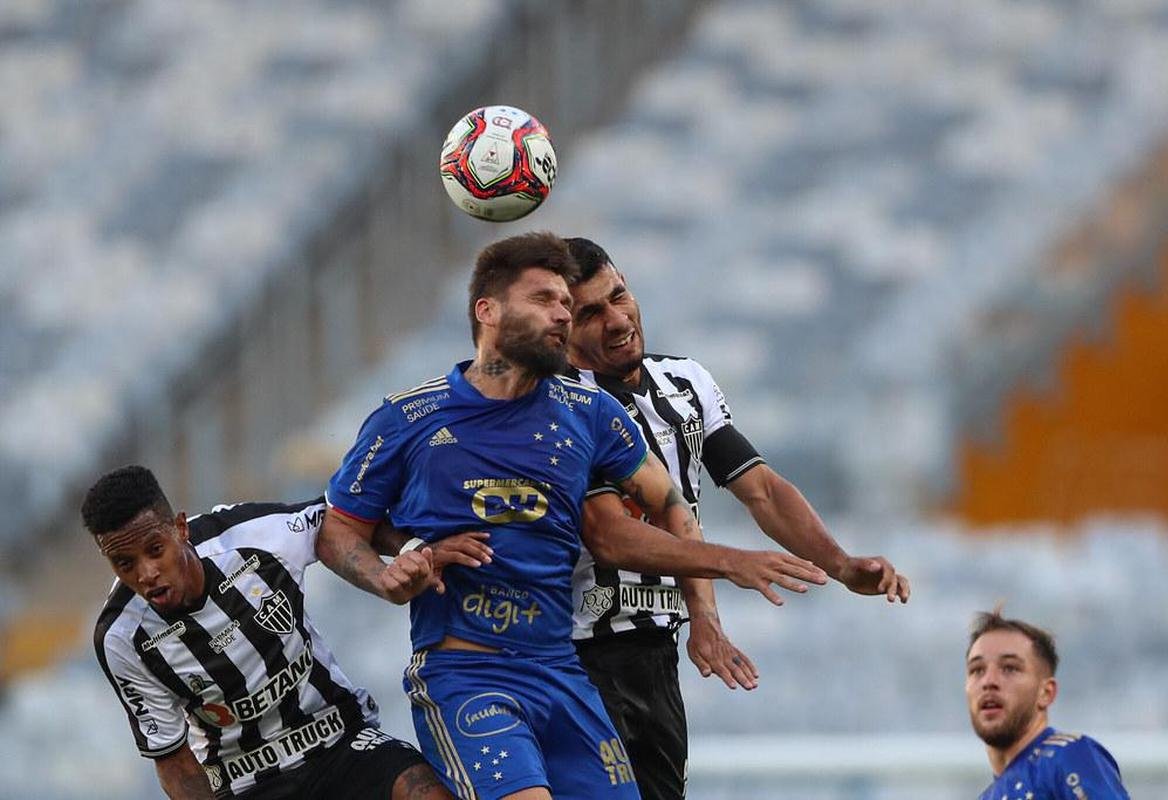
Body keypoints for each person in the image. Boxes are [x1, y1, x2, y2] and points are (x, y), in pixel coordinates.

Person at [318, 231, 826, 800]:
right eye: (544, 299)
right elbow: (338, 528)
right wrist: (392, 569)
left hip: (561, 672)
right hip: (469, 676)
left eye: (565, 302)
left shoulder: (590, 412)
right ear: (487, 311)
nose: (561, 313)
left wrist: (704, 606)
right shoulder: (408, 418)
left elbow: (670, 504)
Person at [563, 236, 913, 800]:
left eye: (619, 296)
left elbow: (762, 491)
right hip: (575, 652)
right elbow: (607, 534)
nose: (618, 320)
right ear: (562, 329)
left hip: (655, 649)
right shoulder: (560, 405)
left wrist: (842, 566)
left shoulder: (685, 382)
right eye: (590, 313)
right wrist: (728, 564)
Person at [87, 464, 453, 800]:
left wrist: (410, 550)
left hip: (340, 741)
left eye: (155, 550)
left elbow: (337, 520)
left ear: (181, 529)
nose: (146, 573)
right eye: (124, 563)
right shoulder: (122, 637)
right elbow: (174, 763)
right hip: (245, 781)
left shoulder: (251, 536)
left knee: (424, 793)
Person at [966, 609, 1131, 800]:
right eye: (977, 670)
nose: (988, 681)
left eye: (1010, 668)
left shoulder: (1066, 756)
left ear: (1046, 692)